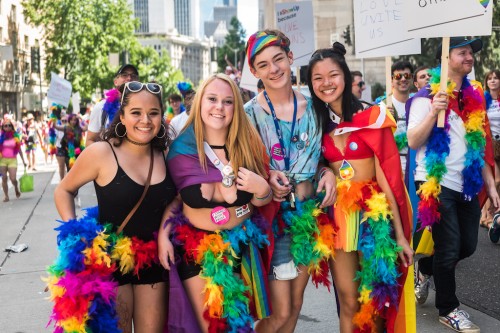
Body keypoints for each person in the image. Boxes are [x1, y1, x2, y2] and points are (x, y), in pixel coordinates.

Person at [51, 81, 174, 333]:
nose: (145, 120)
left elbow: (178, 197)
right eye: (136, 113)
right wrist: (77, 236)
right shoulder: (101, 153)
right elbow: (63, 190)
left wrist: (165, 232)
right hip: (109, 262)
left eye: (153, 113)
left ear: (162, 116)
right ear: (123, 115)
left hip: (153, 262)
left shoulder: (167, 154)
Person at [308, 42, 414, 333]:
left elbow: (388, 180)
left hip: (374, 218)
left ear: (345, 75)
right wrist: (321, 171)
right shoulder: (315, 124)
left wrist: (402, 236)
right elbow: (312, 164)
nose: (326, 83)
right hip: (338, 218)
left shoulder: (372, 117)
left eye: (333, 75)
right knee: (349, 301)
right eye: (318, 78)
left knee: (376, 301)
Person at [158, 73, 273, 332]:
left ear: (236, 107)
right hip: (198, 250)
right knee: (213, 328)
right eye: (212, 99)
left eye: (228, 101)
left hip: (241, 246)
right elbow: (177, 200)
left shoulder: (249, 144)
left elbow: (262, 200)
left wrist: (263, 188)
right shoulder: (183, 149)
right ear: (200, 102)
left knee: (240, 326)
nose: (219, 107)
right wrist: (163, 236)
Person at [244, 29, 336, 333]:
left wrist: (327, 173)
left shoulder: (316, 108)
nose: (274, 69)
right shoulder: (247, 116)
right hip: (271, 220)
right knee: (279, 311)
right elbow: (237, 165)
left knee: (295, 307)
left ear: (290, 58)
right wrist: (267, 175)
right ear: (254, 71)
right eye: (264, 64)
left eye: (278, 59)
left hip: (308, 219)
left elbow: (325, 156)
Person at [407, 37, 499, 332]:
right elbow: (412, 141)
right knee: (448, 248)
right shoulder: (424, 98)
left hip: (467, 184)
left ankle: (424, 269)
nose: (470, 57)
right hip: (436, 181)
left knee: (468, 246)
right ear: (446, 59)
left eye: (471, 52)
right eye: (463, 52)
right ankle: (449, 308)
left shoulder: (473, 98)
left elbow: (479, 146)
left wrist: (492, 185)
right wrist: (434, 111)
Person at [86, 64, 139, 146]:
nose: (129, 78)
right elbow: (90, 140)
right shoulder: (101, 108)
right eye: (124, 75)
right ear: (116, 81)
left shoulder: (144, 107)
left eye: (133, 76)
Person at [481, 69, 500, 230]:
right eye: (490, 78)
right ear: (486, 82)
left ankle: (494, 214)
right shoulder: (483, 100)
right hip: (490, 144)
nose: (493, 81)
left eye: (496, 78)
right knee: (494, 180)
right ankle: (486, 215)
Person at [1, 116, 27, 202]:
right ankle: (6, 196)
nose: (7, 127)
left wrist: (23, 161)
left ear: (12, 127)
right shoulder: (1, 137)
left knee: (13, 178)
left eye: (9, 125)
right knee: (4, 178)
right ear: (3, 127)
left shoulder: (15, 137)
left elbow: (19, 150)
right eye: (5, 126)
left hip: (12, 160)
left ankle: (16, 187)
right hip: (2, 161)